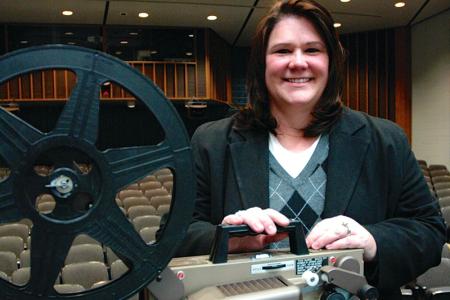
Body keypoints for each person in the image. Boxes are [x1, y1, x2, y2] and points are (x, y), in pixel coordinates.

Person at [176, 0, 446, 298]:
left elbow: (429, 232)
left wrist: (372, 241)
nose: (298, 62)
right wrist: (225, 239)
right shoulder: (211, 142)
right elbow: (174, 236)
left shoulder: (386, 139)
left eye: (313, 50)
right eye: (282, 51)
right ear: (261, 64)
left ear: (331, 61)